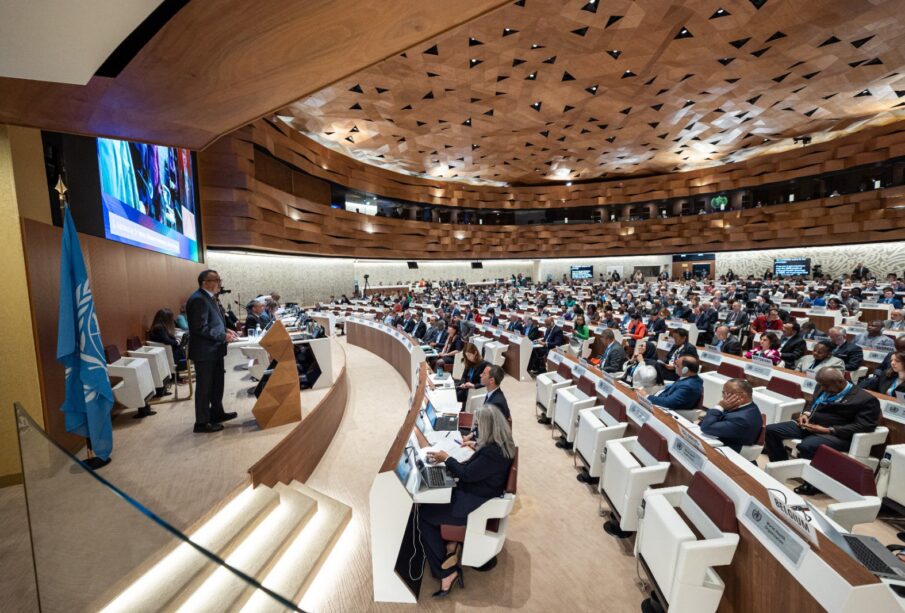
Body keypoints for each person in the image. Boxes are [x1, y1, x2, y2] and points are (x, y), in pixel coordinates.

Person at [420, 405, 515, 597]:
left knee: (424, 516)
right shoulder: (501, 444)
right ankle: (449, 547)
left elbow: (467, 474)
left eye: (480, 426)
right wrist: (476, 447)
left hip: (473, 505)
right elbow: (481, 465)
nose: (476, 430)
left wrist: (446, 458)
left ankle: (447, 572)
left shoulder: (491, 454)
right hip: (477, 493)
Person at [764, 368, 881, 494]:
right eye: (821, 385)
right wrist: (805, 415)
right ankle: (781, 467)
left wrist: (828, 430)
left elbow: (864, 425)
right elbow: (813, 404)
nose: (823, 389)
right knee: (771, 430)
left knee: (807, 446)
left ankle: (812, 484)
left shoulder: (865, 399)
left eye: (826, 386)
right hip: (811, 425)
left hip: (838, 435)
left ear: (840, 381)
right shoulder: (821, 386)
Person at [186, 270, 238, 433]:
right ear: (204, 282)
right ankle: (201, 422)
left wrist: (227, 330)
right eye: (216, 280)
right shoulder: (198, 300)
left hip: (214, 350)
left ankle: (217, 413)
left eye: (219, 279)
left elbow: (214, 322)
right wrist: (222, 336)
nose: (219, 283)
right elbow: (200, 327)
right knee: (205, 387)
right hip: (204, 352)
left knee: (217, 384)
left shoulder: (209, 298)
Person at [699, 379, 763, 453]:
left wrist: (719, 406)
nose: (723, 396)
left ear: (741, 395)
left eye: (727, 393)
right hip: (716, 439)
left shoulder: (743, 419)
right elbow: (703, 423)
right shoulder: (736, 406)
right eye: (723, 392)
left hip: (725, 452)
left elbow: (706, 427)